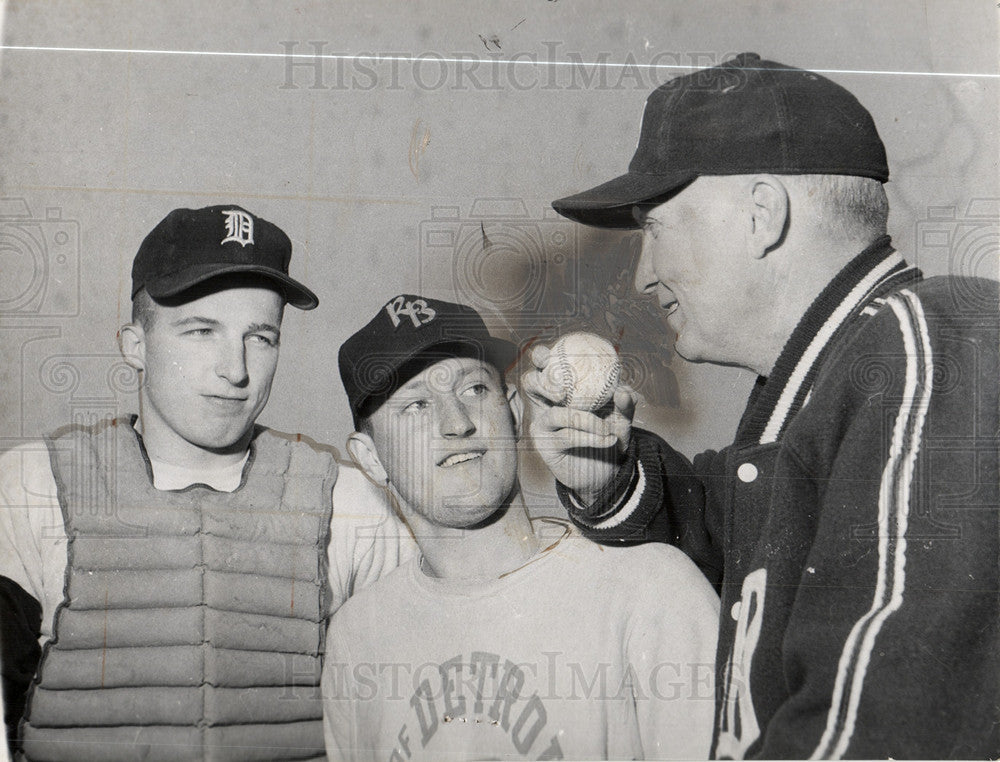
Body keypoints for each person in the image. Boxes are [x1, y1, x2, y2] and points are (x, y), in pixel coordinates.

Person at [523, 52, 1000, 759]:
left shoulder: (927, 340)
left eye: (655, 228)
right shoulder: (836, 378)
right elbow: (731, 522)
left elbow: (883, 731)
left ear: (762, 216)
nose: (644, 276)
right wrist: (611, 475)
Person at [0, 205, 414, 761]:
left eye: (260, 338)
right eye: (201, 331)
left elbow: (418, 710)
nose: (235, 370)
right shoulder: (31, 485)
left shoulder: (348, 501)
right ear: (135, 345)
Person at [322, 295, 720, 761]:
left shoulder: (654, 588)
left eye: (474, 390)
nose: (458, 424)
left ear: (512, 411)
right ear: (370, 458)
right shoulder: (357, 634)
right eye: (415, 406)